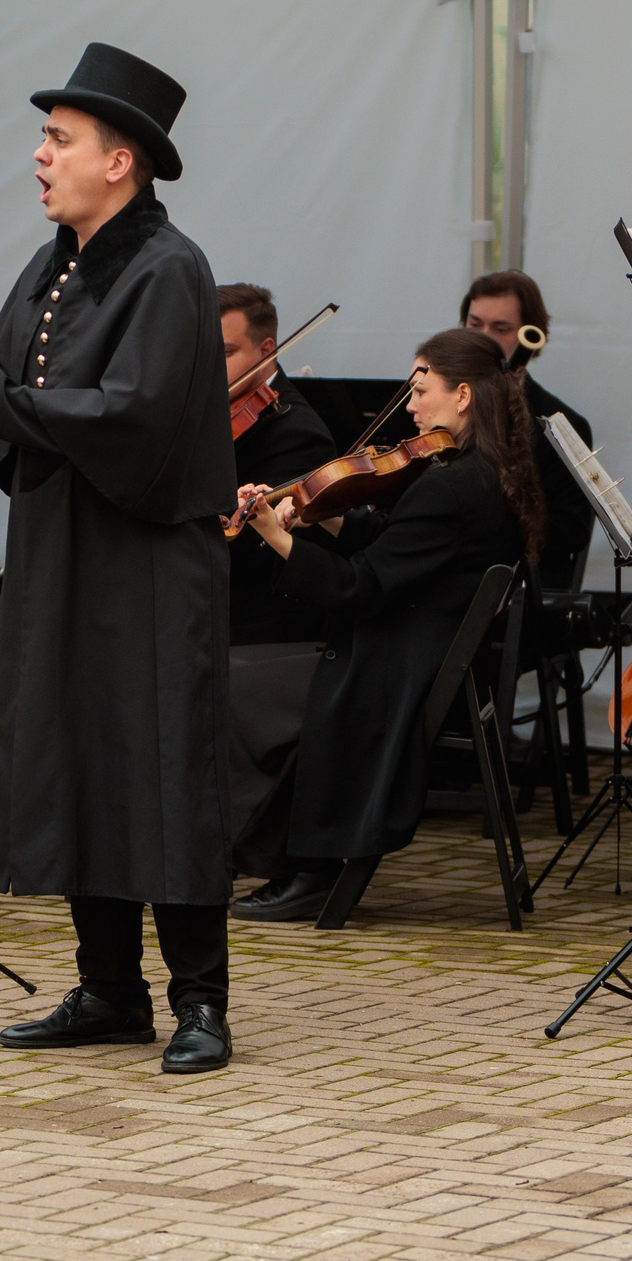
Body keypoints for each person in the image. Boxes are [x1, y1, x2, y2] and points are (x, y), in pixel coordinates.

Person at [0, 42, 238, 1075]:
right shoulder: (53, 262)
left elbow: (127, 419)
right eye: (44, 137)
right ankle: (110, 990)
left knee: (161, 762)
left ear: (118, 161)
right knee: (83, 754)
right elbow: (22, 410)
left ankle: (200, 1002)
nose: (39, 156)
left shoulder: (170, 269)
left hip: (151, 562)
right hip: (70, 549)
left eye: (59, 139)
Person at [232, 328, 540, 917]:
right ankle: (273, 852)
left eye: (421, 390)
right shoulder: (483, 473)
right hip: (408, 656)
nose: (411, 404)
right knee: (235, 675)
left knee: (223, 683)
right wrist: (320, 519)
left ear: (464, 396)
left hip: (385, 670)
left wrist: (271, 533)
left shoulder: (449, 486)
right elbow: (394, 547)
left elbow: (361, 589)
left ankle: (293, 863)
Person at [217, 283, 340, 917]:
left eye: (229, 353)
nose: (214, 370)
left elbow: (281, 563)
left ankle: (235, 847)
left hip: (269, 621)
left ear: (269, 350)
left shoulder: (296, 434)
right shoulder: (212, 417)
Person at [460, 270, 593, 593]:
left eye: (501, 329)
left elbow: (569, 531)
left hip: (511, 597)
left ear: (531, 337)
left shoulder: (562, 425)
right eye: (474, 325)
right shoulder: (436, 409)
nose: (483, 338)